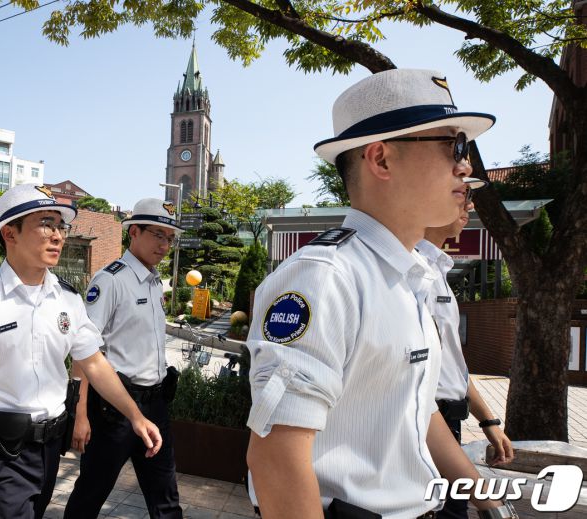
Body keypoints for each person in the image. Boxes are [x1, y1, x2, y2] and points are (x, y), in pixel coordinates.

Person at [245, 69, 518, 518]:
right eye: (454, 145)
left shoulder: (411, 278)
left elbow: (416, 406)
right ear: (381, 159)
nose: (466, 165)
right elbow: (276, 458)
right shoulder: (326, 277)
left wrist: (484, 495)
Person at [0, 184, 162, 519]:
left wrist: (136, 417)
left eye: (60, 226)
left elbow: (94, 363)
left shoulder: (68, 299)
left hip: (52, 447)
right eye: (46, 224)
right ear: (10, 233)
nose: (58, 235)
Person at [65, 198, 183, 519]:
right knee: (92, 492)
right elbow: (84, 349)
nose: (164, 245)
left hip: (155, 405)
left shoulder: (155, 280)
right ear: (133, 232)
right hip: (113, 412)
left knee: (165, 496)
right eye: (157, 235)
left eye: (169, 238)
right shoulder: (111, 280)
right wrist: (80, 413)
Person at [418, 178, 515, 519]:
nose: (469, 207)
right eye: (462, 196)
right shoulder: (412, 273)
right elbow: (412, 384)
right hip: (427, 425)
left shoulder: (436, 269)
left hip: (446, 419)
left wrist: (488, 420)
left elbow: (451, 365)